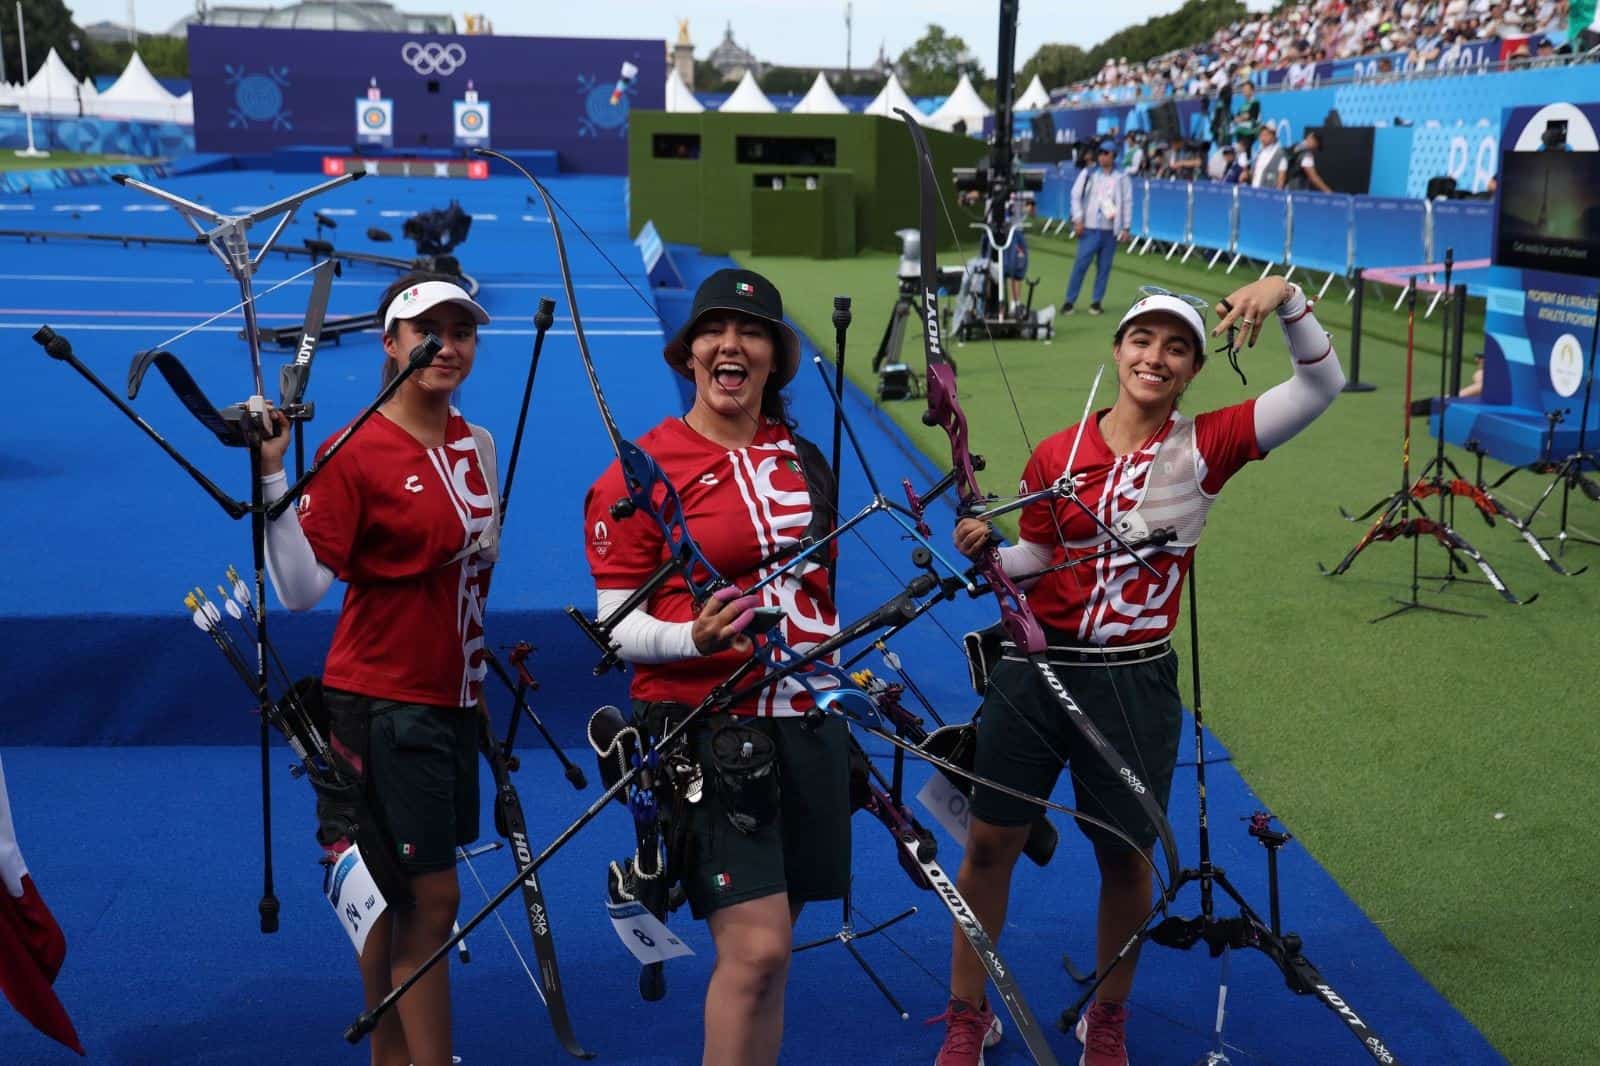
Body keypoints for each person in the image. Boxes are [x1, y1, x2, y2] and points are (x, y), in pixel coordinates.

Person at [932, 275, 1345, 1066]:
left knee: (1125, 856)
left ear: (1192, 370)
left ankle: (1107, 1016)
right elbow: (1042, 559)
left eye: (1177, 347)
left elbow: (1321, 384)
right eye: (1143, 340)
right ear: (1119, 350)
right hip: (1035, 669)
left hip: (1133, 679)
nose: (1156, 357)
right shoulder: (1058, 451)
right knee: (989, 842)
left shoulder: (1210, 444)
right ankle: (966, 1010)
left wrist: (1287, 297)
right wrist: (990, 549)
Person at [583, 268, 850, 1066]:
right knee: (758, 951)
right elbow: (615, 626)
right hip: (709, 734)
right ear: (690, 352)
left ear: (775, 358)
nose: (731, 344)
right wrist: (692, 639)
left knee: (771, 961)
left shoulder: (803, 458)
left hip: (806, 721)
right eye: (714, 330)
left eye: (752, 331)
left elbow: (821, 589)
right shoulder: (639, 473)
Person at [261, 272, 496, 1066]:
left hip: (453, 697)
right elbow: (299, 590)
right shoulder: (354, 448)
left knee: (400, 900)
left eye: (461, 331)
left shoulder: (478, 443)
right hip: (382, 702)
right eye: (427, 330)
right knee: (432, 899)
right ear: (389, 343)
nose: (447, 346)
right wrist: (271, 479)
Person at [1063, 141, 1132, 316]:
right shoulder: (1089, 173)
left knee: (1104, 268)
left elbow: (1127, 202)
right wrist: (1078, 219)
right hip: (1089, 228)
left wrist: (1125, 227)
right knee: (1080, 265)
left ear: (1113, 155)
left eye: (1105, 153)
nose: (1101, 156)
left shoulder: (1122, 177)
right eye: (1100, 152)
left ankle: (1096, 302)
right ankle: (1069, 301)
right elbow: (1075, 195)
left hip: (1109, 230)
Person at [1250, 123, 1288, 189]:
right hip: (1254, 192)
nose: (1262, 138)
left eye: (1266, 135)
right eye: (1261, 135)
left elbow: (1281, 179)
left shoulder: (1280, 154)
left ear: (1273, 136)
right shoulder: (1260, 153)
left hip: (1269, 195)